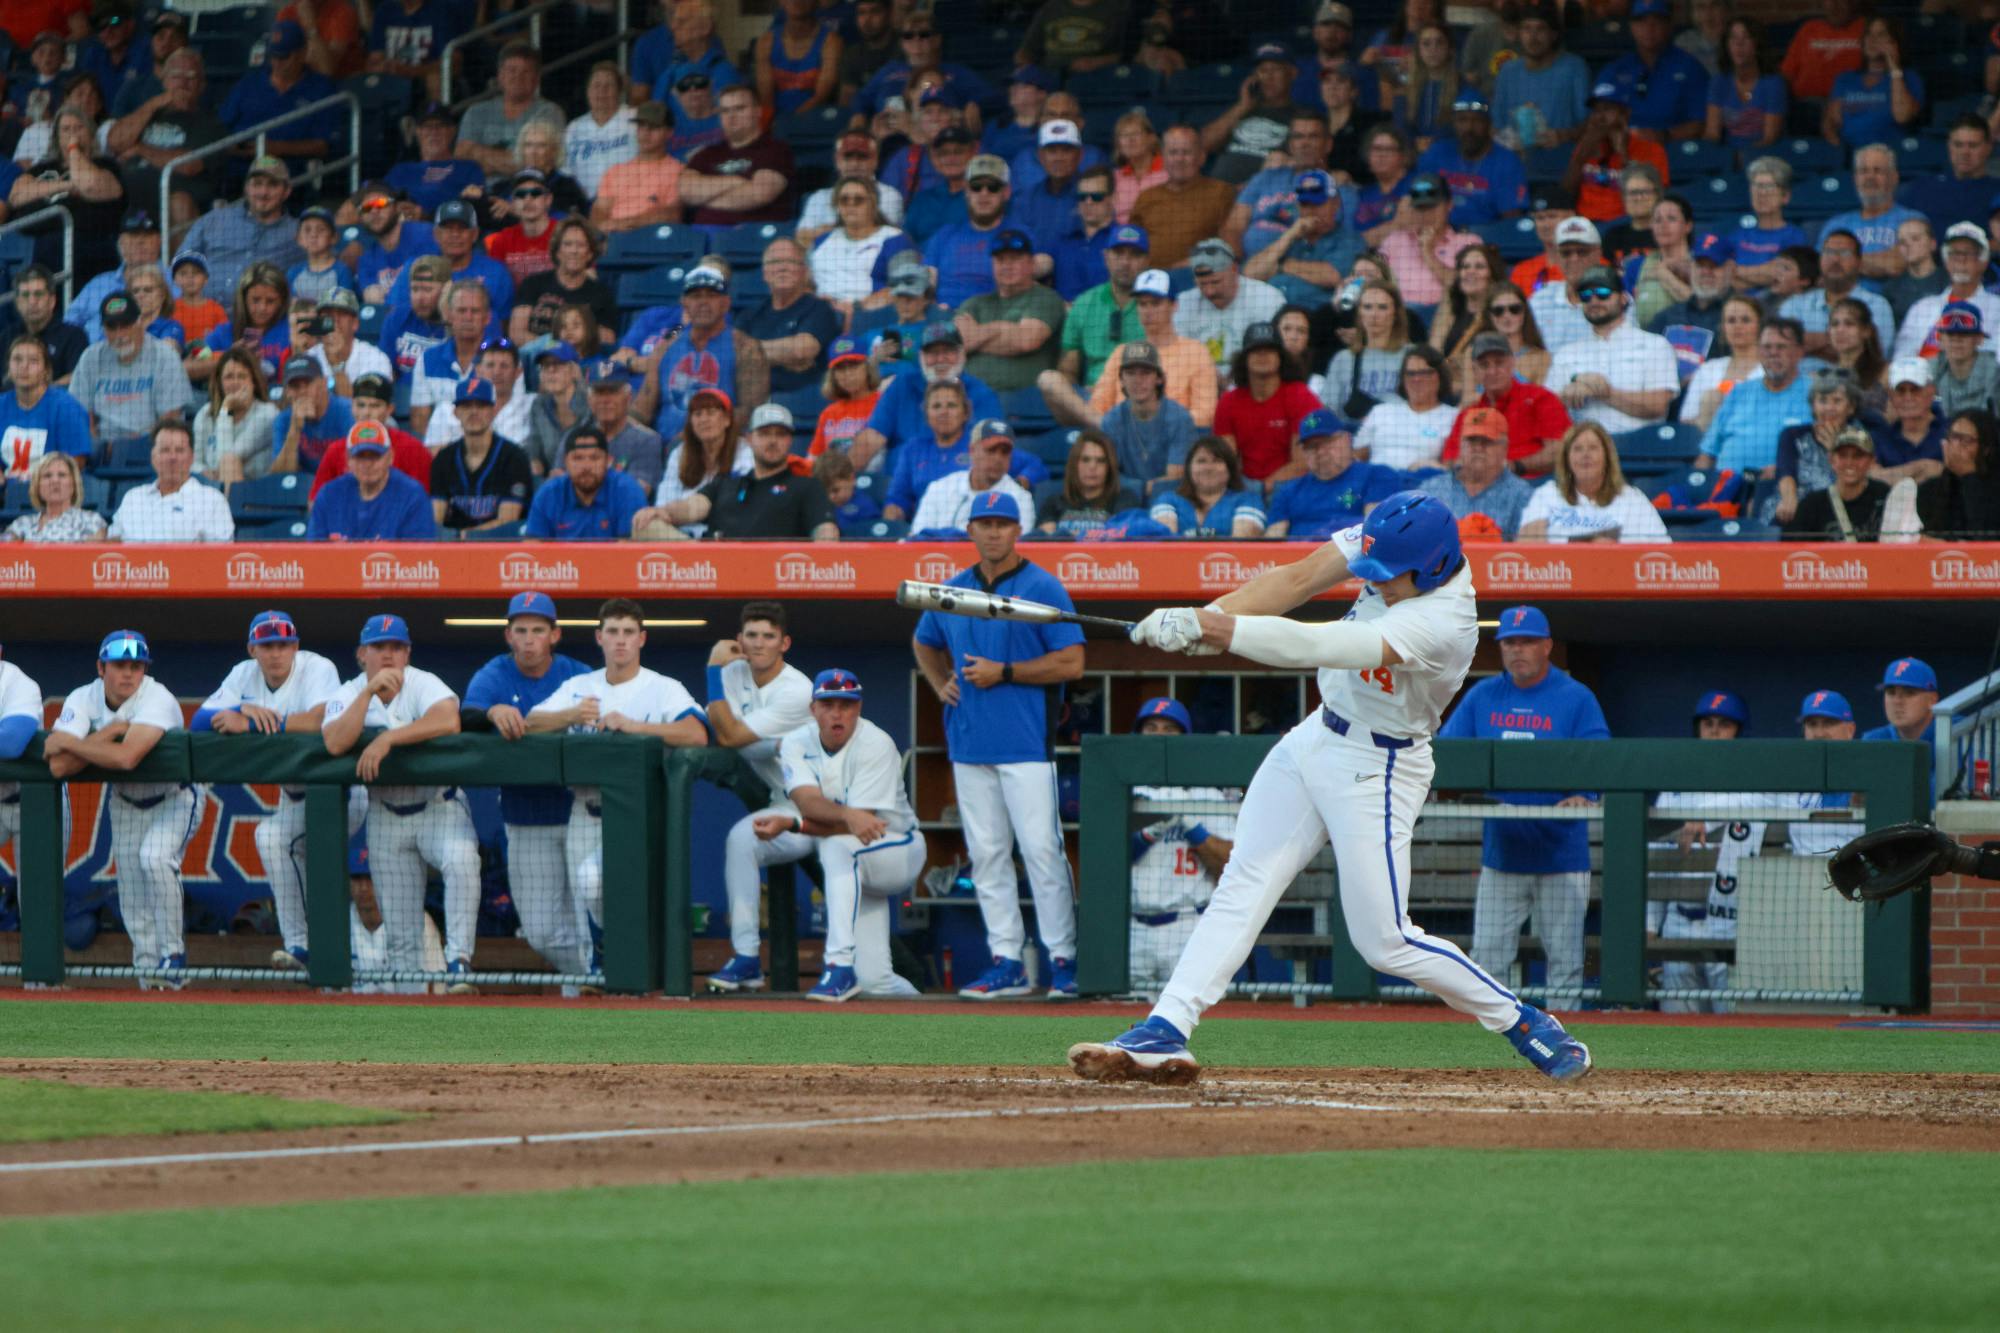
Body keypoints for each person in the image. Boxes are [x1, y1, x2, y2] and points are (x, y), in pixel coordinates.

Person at [1070, 493, 1592, 1083]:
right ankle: (1167, 1025)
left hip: (1378, 766)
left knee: (1385, 942)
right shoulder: (1387, 536)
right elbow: (1296, 580)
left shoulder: (1444, 622)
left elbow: (1318, 645)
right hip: (1316, 735)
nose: (1376, 580)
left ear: (1432, 568)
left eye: (1388, 575)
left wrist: (1215, 627)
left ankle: (1523, 1021)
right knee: (1245, 878)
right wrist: (1203, 619)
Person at [912, 490, 1083, 1000]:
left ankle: (1064, 960)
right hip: (969, 742)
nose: (993, 532)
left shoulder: (1043, 586)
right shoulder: (953, 588)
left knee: (1042, 851)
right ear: (970, 530)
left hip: (1026, 743)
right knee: (986, 855)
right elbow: (924, 639)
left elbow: (1072, 662)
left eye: (1002, 523)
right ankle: (1007, 961)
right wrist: (938, 681)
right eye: (984, 523)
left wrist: (1004, 672)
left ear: (1017, 530)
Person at [1432, 603, 1611, 1003]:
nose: (1517, 650)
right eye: (1509, 642)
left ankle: (1563, 1033)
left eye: (1527, 641)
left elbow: (1599, 758)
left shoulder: (1576, 697)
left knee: (1565, 962)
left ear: (1547, 646)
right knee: (1487, 959)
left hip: (1562, 855)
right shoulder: (1484, 695)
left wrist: (1585, 794)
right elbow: (1448, 754)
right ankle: (1490, 1034)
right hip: (1503, 856)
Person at [525, 597, 707, 972]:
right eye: (612, 631)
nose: (620, 639)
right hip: (585, 808)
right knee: (583, 897)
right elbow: (531, 724)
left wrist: (635, 726)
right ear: (599, 637)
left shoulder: (662, 687)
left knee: (596, 882)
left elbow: (696, 734)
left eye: (628, 632)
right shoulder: (579, 686)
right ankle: (602, 969)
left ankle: (620, 957)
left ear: (642, 638)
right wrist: (570, 715)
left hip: (639, 811)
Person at [737, 667, 927, 1002]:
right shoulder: (797, 742)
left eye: (846, 704)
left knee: (837, 847)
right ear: (813, 709)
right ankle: (923, 1013)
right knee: (875, 982)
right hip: (858, 864)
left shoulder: (876, 743)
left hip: (898, 847)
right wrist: (832, 817)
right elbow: (807, 803)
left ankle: (839, 964)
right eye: (828, 705)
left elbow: (863, 826)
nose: (837, 713)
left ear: (859, 707)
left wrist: (800, 823)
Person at [321, 613, 480, 991]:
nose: (388, 654)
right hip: (387, 814)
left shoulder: (423, 682)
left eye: (396, 647)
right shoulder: (348, 692)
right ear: (362, 654)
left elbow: (448, 720)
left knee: (462, 860)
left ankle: (459, 961)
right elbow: (335, 742)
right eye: (378, 647)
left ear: (407, 653)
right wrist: (367, 694)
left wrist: (388, 738)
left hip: (438, 806)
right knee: (401, 935)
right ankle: (411, 1012)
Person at [189, 610, 341, 970]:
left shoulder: (317, 668)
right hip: (295, 797)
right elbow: (198, 722)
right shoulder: (243, 674)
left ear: (295, 646)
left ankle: (308, 946)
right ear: (252, 649)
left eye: (283, 644)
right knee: (284, 849)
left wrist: (254, 724)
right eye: (267, 645)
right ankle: (304, 947)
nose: (276, 653)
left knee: (274, 839)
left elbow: (321, 720)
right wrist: (241, 706)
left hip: (339, 794)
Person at [45, 630, 192, 989]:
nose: (128, 673)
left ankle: (174, 957)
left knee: (155, 859)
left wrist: (76, 743)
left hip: (173, 798)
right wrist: (108, 734)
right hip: (125, 802)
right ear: (101, 667)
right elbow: (58, 766)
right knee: (132, 897)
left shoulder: (157, 697)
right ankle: (149, 981)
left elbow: (127, 757)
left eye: (136, 666)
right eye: (119, 665)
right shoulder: (83, 698)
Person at [459, 591, 594, 983]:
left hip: (580, 813)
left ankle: (591, 990)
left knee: (590, 915)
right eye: (521, 630)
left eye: (538, 630)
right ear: (508, 635)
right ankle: (591, 977)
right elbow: (466, 715)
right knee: (541, 932)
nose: (529, 639)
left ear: (555, 634)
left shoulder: (578, 674)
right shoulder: (495, 673)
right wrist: (492, 710)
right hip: (526, 817)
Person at [1121, 697, 1239, 990]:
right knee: (1121, 1011)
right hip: (1132, 927)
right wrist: (1151, 831)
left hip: (1188, 925)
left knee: (1194, 1009)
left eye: (1169, 729)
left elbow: (1230, 866)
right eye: (1151, 728)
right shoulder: (1124, 791)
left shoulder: (1206, 795)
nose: (1159, 735)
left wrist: (1190, 825)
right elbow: (1104, 864)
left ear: (1184, 738)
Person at [656, 403, 837, 541]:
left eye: (781, 434)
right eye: (764, 433)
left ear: (790, 440)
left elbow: (825, 529)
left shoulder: (807, 487)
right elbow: (691, 508)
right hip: (715, 567)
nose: (773, 441)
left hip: (772, 571)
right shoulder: (725, 484)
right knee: (648, 524)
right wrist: (662, 512)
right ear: (749, 439)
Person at [637, 265, 769, 445]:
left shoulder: (746, 348)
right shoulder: (665, 347)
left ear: (726, 303)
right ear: (684, 303)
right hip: (667, 449)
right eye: (696, 296)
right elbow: (642, 409)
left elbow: (751, 411)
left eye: (712, 295)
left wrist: (695, 435)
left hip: (723, 447)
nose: (703, 302)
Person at [849, 321, 1003, 473]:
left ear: (962, 354)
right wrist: (845, 474)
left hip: (958, 478)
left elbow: (995, 446)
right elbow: (872, 436)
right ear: (921, 356)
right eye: (933, 353)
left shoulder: (981, 393)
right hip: (900, 479)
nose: (940, 359)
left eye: (948, 351)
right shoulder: (902, 385)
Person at [1543, 264, 1676, 436]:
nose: (1594, 301)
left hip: (1641, 443)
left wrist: (1603, 393)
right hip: (1584, 445)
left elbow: (1657, 406)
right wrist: (1565, 395)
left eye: (1603, 293)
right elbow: (1545, 409)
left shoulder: (1655, 345)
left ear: (1623, 298)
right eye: (1585, 295)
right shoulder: (1567, 353)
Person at [104, 47, 222, 232]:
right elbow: (114, 142)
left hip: (174, 196)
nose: (182, 83)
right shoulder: (148, 114)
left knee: (180, 203)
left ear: (201, 86)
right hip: (129, 194)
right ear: (164, 81)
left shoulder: (209, 123)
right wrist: (155, 103)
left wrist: (140, 149)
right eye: (176, 76)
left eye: (191, 77)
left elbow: (189, 164)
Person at [177, 156, 305, 311]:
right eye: (257, 184)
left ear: (286, 191)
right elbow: (181, 263)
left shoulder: (298, 232)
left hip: (257, 317)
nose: (263, 192)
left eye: (272, 185)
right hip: (201, 313)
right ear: (246, 188)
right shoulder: (214, 220)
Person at [1695, 317, 1811, 478]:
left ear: (1799, 352)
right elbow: (1707, 453)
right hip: (1725, 485)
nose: (1773, 353)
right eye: (1766, 347)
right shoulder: (1739, 392)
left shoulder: (1815, 394)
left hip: (1782, 484)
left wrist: (1785, 470)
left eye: (1781, 347)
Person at [68, 293, 189, 446]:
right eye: (112, 327)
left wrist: (125, 446)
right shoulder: (91, 357)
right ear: (104, 330)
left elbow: (170, 420)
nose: (120, 334)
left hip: (152, 445)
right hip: (102, 446)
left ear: (140, 323)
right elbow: (80, 413)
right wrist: (94, 447)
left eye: (125, 325)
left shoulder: (165, 356)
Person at [220, 21, 339, 176]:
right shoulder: (249, 83)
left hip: (290, 169)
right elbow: (221, 127)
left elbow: (322, 145)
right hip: (242, 165)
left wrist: (274, 148)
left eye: (284, 57)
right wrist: (233, 146)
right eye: (273, 56)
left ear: (303, 53)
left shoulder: (321, 88)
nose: (277, 63)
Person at [1518, 421, 1669, 543]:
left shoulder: (1633, 499)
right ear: (1566, 459)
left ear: (1607, 457)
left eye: (1593, 448)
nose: (1585, 454)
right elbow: (1529, 549)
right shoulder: (1547, 494)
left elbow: (1662, 550)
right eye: (1577, 449)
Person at [1213, 320, 1323, 485]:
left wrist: (1264, 487)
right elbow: (1226, 462)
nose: (1263, 355)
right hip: (1244, 488)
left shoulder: (1301, 397)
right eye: (1255, 350)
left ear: (1281, 358)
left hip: (1295, 487)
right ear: (1244, 359)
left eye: (1270, 350)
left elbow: (1303, 463)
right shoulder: (1228, 402)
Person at [1265, 409, 1402, 539]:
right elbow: (1273, 538)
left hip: (1349, 553)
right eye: (1311, 446)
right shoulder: (1288, 491)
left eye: (1326, 442)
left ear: (1347, 439)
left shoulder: (1378, 476)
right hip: (1299, 554)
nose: (1320, 452)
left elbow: (1375, 529)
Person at [428, 377, 533, 536]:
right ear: (456, 413)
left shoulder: (514, 457)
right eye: (466, 406)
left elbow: (507, 521)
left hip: (501, 545)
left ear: (493, 411)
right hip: (453, 546)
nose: (474, 412)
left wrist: (466, 536)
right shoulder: (444, 459)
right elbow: (436, 518)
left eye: (481, 405)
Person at [680, 85, 795, 230]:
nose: (731, 116)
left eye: (739, 109)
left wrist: (704, 199)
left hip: (754, 233)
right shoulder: (706, 154)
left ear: (758, 111)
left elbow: (760, 194)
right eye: (724, 111)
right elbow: (686, 192)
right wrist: (736, 181)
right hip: (704, 234)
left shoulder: (776, 149)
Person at [903, 414, 1035, 535]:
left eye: (1004, 452)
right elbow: (917, 539)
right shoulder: (940, 489)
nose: (998, 458)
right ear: (972, 450)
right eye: (991, 450)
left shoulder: (1020, 499)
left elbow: (1015, 546)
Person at [1129, 127, 1238, 271]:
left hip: (1200, 275)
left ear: (1201, 157)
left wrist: (1197, 261)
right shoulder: (1147, 197)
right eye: (1173, 152)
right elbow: (1131, 246)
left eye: (1186, 152)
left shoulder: (1221, 192)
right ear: (1163, 158)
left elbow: (1231, 246)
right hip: (1151, 278)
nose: (1179, 159)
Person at [106, 418, 231, 542]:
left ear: (191, 457)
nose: (172, 457)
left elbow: (222, 551)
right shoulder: (133, 498)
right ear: (153, 457)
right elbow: (112, 542)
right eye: (165, 450)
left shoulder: (212, 500)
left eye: (179, 450)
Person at [307, 421, 436, 541]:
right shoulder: (329, 495)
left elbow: (419, 553)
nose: (367, 464)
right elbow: (313, 550)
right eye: (360, 457)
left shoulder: (412, 496)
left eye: (375, 456)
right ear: (348, 459)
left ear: (390, 457)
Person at [1418, 406, 1533, 538]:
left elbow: (1526, 548)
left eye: (1487, 441)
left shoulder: (1522, 495)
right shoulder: (1431, 490)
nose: (1478, 448)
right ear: (1460, 444)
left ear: (1505, 447)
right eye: (1471, 440)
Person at [1562, 82, 1668, 225]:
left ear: (1625, 113)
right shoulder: (1587, 145)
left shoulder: (1651, 149)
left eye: (1607, 109)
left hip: (1627, 223)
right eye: (1596, 111)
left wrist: (1623, 154)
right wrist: (1581, 156)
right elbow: (1566, 192)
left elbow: (1655, 198)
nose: (1600, 117)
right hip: (1585, 223)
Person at [1094, 340, 1200, 484]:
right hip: (1124, 495)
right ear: (1122, 380)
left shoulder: (1180, 418)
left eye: (1145, 373)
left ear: (1159, 378)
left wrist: (1146, 488)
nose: (1137, 380)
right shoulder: (1111, 421)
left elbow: (1174, 478)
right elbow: (1108, 476)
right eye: (1130, 373)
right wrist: (1141, 488)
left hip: (1167, 494)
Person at [312, 374, 429, 500]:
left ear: (389, 409)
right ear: (352, 407)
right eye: (360, 405)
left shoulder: (412, 449)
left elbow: (423, 500)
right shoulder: (335, 450)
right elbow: (315, 500)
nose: (366, 412)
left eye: (375, 405)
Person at [1771, 369, 1866, 524]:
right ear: (1813, 406)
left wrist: (1835, 450)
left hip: (1840, 513)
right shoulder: (1792, 435)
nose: (1829, 407)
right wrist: (1789, 498)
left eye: (1837, 401)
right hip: (1795, 510)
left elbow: (1857, 481)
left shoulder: (1860, 438)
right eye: (1823, 401)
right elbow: (1785, 472)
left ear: (1851, 407)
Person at [1490, 3, 1590, 149]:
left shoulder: (1573, 68)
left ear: (1553, 35)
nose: (1533, 37)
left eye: (1540, 29)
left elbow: (1589, 123)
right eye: (1527, 29)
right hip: (1515, 156)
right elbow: (1496, 126)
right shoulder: (1508, 71)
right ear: (1519, 34)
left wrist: (1564, 135)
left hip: (1560, 154)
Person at [523, 425, 650, 539]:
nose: (586, 466)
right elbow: (533, 548)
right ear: (565, 462)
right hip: (561, 559)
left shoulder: (627, 490)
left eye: (594, 458)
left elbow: (628, 549)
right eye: (578, 458)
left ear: (608, 461)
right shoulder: (548, 494)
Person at [1895, 225, 2000, 361]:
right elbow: (1901, 358)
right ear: (1946, 261)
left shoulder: (1997, 308)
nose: (1961, 260)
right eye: (1955, 253)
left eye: (1969, 253)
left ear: (1983, 262)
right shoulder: (1922, 308)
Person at [1821, 145, 1922, 285]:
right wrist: (1878, 261)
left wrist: (1842, 260)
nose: (1870, 177)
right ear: (1855, 178)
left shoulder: (1912, 220)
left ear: (1894, 178)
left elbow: (1896, 264)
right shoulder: (1836, 224)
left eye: (1878, 171)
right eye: (1863, 171)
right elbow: (1823, 269)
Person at [1321, 280, 1413, 428]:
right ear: (1359, 313)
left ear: (1395, 313)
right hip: (1351, 434)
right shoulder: (1343, 359)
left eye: (1382, 307)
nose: (1374, 315)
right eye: (1367, 307)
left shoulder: (1413, 355)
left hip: (1401, 432)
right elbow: (1327, 411)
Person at [0, 334, 90, 481]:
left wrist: (43, 483)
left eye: (33, 361)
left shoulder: (66, 407)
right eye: (17, 359)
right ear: (8, 368)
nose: (24, 366)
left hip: (50, 488)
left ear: (46, 371)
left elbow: (76, 462)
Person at [1825, 16, 1922, 152]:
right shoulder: (1846, 79)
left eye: (1881, 34)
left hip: (1890, 154)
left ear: (1894, 43)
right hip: (1851, 153)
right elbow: (1831, 123)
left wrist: (1895, 68)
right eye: (1868, 34)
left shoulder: (1909, 78)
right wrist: (1839, 152)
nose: (1872, 40)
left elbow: (1902, 116)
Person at [1782, 425, 1890, 541]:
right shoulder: (1812, 506)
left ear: (1871, 461)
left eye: (1858, 456)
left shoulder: (1885, 496)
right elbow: (1790, 548)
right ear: (1831, 460)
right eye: (1843, 455)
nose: (1849, 462)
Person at [589, 101, 684, 233]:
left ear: (669, 132)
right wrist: (605, 226)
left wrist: (625, 223)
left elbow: (671, 215)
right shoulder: (615, 171)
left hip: (651, 237)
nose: (645, 133)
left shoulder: (678, 171)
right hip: (612, 237)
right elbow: (599, 211)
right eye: (641, 126)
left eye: (654, 127)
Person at [1354, 346, 1453, 471]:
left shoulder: (1453, 417)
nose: (1416, 379)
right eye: (1410, 373)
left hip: (1421, 480)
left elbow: (1452, 469)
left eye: (1425, 372)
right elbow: (1356, 457)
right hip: (1376, 478)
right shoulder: (1381, 411)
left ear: (1440, 377)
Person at [1149, 435, 1266, 537]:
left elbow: (1241, 544)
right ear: (1189, 468)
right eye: (1201, 461)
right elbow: (1165, 543)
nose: (1208, 468)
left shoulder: (1249, 501)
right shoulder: (1167, 500)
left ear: (1229, 469)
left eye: (1217, 461)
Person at [192, 348, 279, 483]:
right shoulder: (205, 414)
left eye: (242, 376)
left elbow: (225, 461)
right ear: (219, 382)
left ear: (253, 382)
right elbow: (194, 462)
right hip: (211, 487)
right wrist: (203, 471)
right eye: (229, 377)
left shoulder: (267, 414)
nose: (235, 383)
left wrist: (226, 409)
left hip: (253, 489)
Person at [388, 102, 484, 224]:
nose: (434, 132)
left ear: (452, 130)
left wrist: (426, 216)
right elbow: (382, 204)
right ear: (418, 131)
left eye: (440, 126)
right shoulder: (400, 171)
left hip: (450, 230)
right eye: (427, 126)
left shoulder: (469, 169)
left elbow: (474, 211)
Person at [578, 362, 665, 495]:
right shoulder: (575, 437)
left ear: (628, 397)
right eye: (599, 392)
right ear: (589, 399)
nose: (605, 400)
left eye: (612, 392)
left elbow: (636, 492)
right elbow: (557, 483)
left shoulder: (647, 441)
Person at [1036, 429, 1141, 538]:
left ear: (1109, 467)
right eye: (1085, 460)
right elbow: (1044, 539)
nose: (1092, 467)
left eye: (1100, 461)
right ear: (1074, 465)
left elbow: (1124, 536)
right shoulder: (1054, 503)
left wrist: (1076, 535)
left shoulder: (1125, 500)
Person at [1916, 409, 2000, 538]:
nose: (1955, 445)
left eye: (1966, 440)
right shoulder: (1930, 489)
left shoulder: (1995, 491)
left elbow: (1985, 534)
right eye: (1953, 437)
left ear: (1986, 449)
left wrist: (1969, 477)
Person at [1704, 16, 1784, 153]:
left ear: (1757, 45)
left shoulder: (1773, 83)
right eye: (1733, 38)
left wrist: (1745, 156)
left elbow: (1770, 138)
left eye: (1746, 38)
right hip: (1727, 155)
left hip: (1763, 155)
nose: (1738, 44)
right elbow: (1712, 133)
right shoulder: (1719, 82)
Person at [367, 0, 463, 99]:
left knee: (435, 79)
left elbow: (453, 62)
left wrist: (412, 71)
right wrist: (382, 66)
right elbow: (375, 58)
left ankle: (433, 109)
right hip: (391, 78)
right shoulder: (385, 10)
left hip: (423, 77)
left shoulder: (441, 11)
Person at [1874, 357, 1948, 486]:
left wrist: (1892, 475)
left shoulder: (1951, 431)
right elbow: (1869, 475)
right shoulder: (1880, 436)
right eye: (1900, 391)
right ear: (1891, 395)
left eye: (1915, 389)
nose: (1908, 397)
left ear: (1931, 391)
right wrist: (1922, 467)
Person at [4, 450, 103, 543]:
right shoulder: (22, 524)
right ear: (37, 486)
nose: (55, 481)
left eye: (62, 475)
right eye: (47, 476)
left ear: (74, 484)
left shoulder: (91, 521)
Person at [1780, 0, 1864, 102]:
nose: (1835, 5)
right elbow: (1787, 73)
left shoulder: (1865, 28)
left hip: (1849, 101)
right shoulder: (1809, 28)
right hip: (1804, 102)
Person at [1928, 301, 1999, 419]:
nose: (1956, 340)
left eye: (1964, 334)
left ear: (1979, 339)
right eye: (1950, 334)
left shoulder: (1995, 373)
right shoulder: (1930, 369)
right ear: (1939, 338)